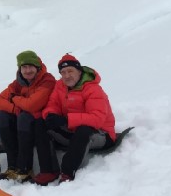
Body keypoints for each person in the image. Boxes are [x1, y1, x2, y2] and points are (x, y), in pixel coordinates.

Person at [34, 54, 116, 185]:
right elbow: (52, 104)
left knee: (84, 130)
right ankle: (48, 171)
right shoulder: (60, 86)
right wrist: (50, 115)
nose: (66, 76)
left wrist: (66, 120)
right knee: (41, 123)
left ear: (79, 71)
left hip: (101, 134)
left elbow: (97, 119)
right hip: (73, 131)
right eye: (63, 72)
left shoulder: (93, 89)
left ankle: (67, 172)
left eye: (70, 71)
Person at [0, 50, 55, 183]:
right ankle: (12, 167)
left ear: (37, 67)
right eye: (24, 67)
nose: (27, 71)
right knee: (2, 116)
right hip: (24, 121)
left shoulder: (47, 80)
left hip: (40, 124)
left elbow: (33, 105)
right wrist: (14, 108)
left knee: (24, 117)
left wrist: (14, 98)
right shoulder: (18, 83)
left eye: (30, 67)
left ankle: (25, 168)